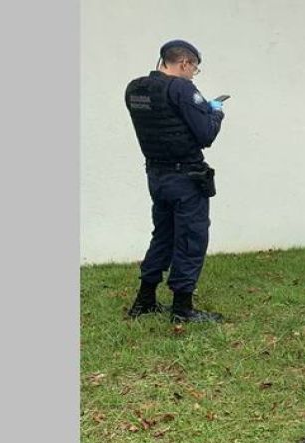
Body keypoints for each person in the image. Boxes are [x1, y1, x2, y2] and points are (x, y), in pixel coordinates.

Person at [124, 39, 227, 323]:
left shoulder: (135, 89)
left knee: (164, 235)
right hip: (186, 178)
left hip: (156, 176)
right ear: (184, 63)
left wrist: (197, 110)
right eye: (194, 69)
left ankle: (144, 300)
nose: (194, 75)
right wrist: (215, 112)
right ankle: (182, 308)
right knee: (191, 237)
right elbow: (205, 135)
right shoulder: (181, 88)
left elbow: (168, 119)